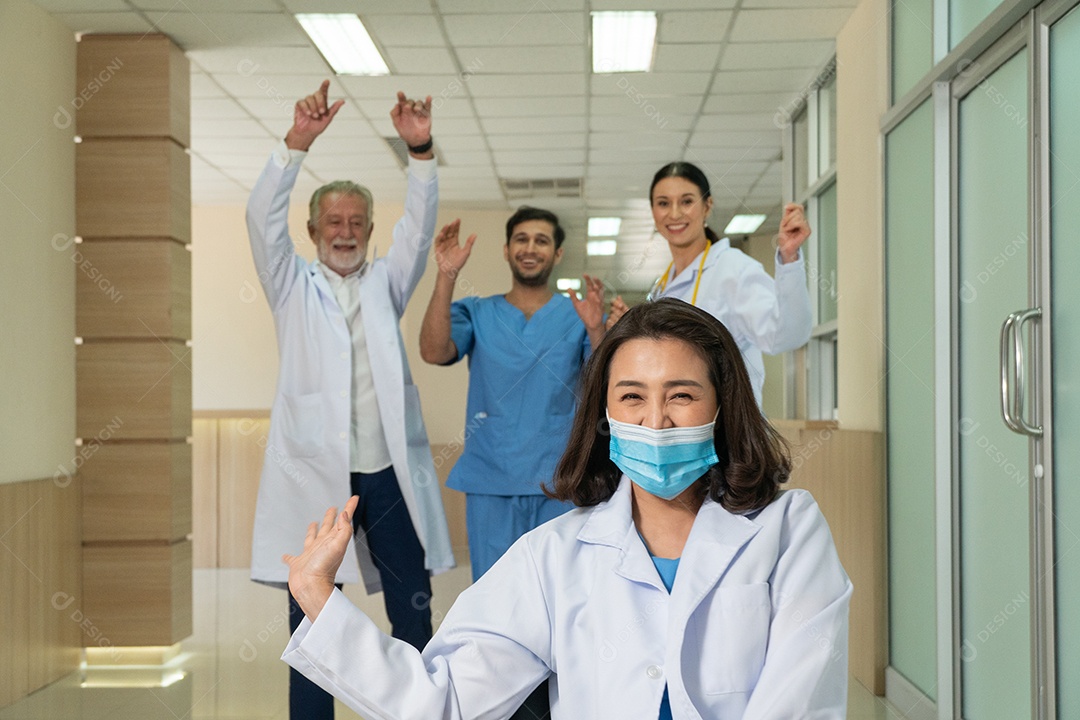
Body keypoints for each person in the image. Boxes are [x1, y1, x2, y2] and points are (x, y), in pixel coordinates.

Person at [282, 298, 852, 720]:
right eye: (632, 396)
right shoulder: (553, 556)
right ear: (604, 415)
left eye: (680, 394)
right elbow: (447, 698)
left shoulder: (788, 530)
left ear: (722, 406)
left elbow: (799, 701)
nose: (655, 422)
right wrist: (318, 598)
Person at [245, 80, 455, 720]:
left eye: (357, 223)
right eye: (333, 222)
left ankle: (418, 709)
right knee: (311, 616)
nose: (346, 231)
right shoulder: (290, 284)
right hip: (315, 477)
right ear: (311, 230)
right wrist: (296, 144)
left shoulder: (385, 282)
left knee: (411, 607)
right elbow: (260, 220)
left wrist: (419, 152)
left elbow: (417, 233)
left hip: (387, 473)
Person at [418, 207, 605, 582]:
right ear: (506, 250)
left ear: (557, 254)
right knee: (495, 592)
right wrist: (446, 276)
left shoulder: (577, 316)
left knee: (560, 590)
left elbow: (605, 382)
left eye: (541, 240)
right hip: (492, 478)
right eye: (521, 239)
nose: (530, 248)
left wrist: (598, 329)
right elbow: (433, 351)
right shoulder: (478, 311)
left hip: (560, 480)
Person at [608, 161, 813, 406]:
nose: (674, 213)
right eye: (663, 203)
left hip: (729, 431)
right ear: (653, 212)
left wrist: (789, 258)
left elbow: (787, 336)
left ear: (707, 206)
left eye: (686, 201)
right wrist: (630, 329)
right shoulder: (662, 285)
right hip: (681, 427)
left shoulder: (733, 269)